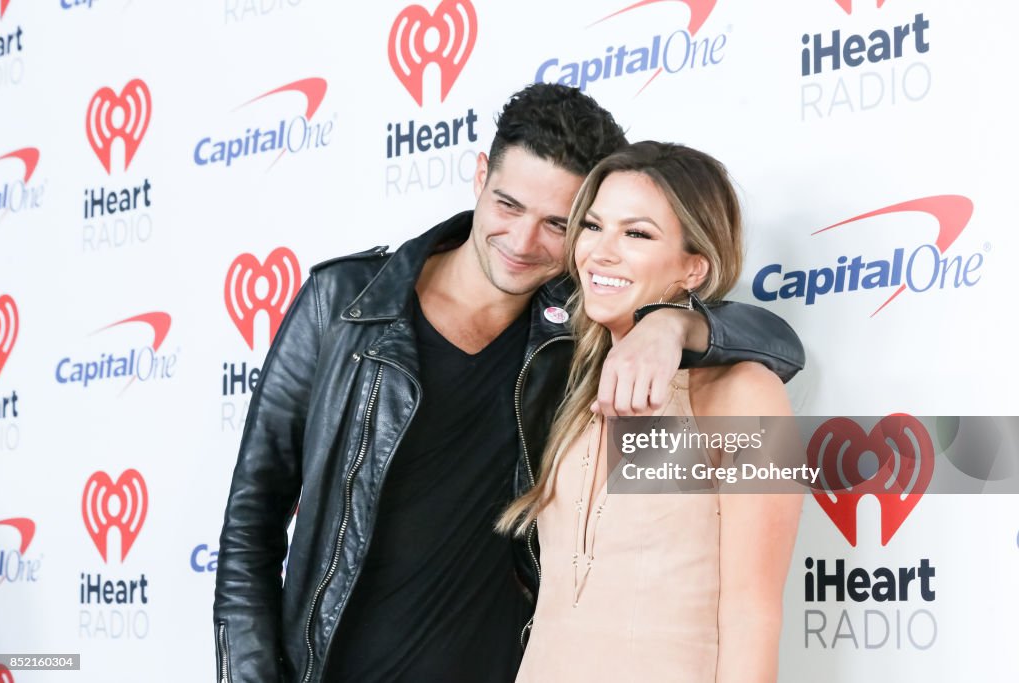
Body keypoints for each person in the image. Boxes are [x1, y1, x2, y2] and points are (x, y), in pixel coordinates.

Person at [213, 85, 804, 683]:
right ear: (478, 178)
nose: (524, 243)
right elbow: (250, 523)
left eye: (557, 222)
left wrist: (676, 324)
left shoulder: (573, 343)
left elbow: (780, 351)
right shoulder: (343, 305)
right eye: (509, 205)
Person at [500, 141, 802, 683]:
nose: (600, 252)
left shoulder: (743, 395)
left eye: (636, 234)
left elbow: (753, 617)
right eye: (592, 227)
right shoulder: (571, 388)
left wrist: (674, 323)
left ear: (694, 267)